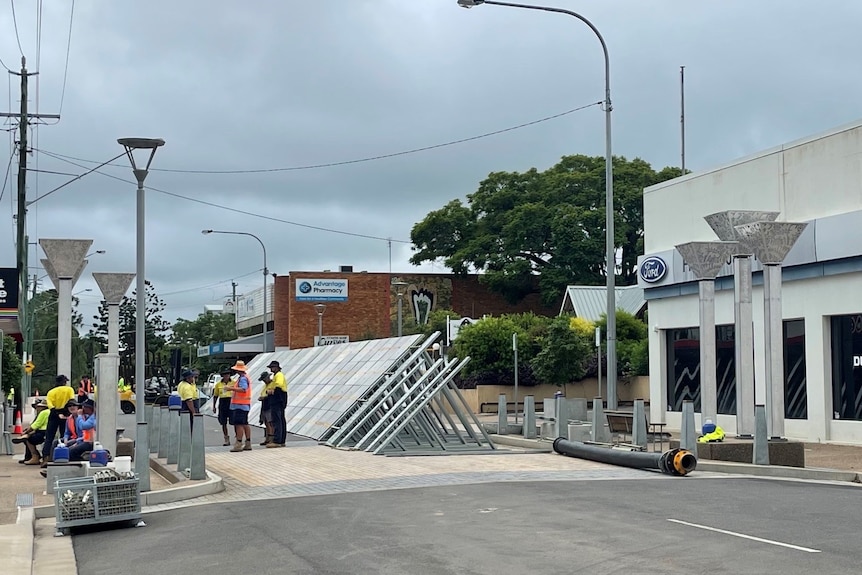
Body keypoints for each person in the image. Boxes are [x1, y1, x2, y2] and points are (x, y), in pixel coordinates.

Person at [42, 375, 75, 464]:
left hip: (54, 414)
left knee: (49, 437)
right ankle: (62, 456)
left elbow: (50, 406)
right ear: (64, 382)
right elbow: (71, 401)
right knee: (64, 436)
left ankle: (46, 458)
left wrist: (57, 413)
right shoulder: (69, 389)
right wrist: (65, 413)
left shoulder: (51, 392)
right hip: (66, 414)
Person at [225, 360, 252, 452]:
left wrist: (230, 388)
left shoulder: (243, 379)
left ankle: (238, 443)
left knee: (239, 424)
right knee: (245, 423)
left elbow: (243, 389)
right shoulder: (245, 377)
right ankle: (248, 442)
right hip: (244, 404)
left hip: (240, 405)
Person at [12, 399, 50, 465]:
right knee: (28, 435)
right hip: (48, 431)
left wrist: (26, 431)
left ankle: (35, 456)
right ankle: (29, 455)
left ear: (43, 407)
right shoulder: (50, 412)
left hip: (42, 431)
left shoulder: (43, 413)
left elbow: (36, 425)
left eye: (38, 407)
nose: (37, 408)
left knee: (29, 439)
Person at [266, 360, 288, 448]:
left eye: (272, 367)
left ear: (277, 368)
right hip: (280, 397)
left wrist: (271, 391)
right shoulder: (277, 375)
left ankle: (277, 440)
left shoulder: (279, 375)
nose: (271, 369)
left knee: (277, 419)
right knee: (281, 419)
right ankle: (281, 439)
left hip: (278, 397)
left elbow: (278, 385)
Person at [212, 368, 234, 446]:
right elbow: (215, 396)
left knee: (234, 420)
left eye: (228, 374)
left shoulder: (234, 383)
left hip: (231, 401)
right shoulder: (218, 384)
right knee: (223, 422)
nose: (226, 376)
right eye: (225, 375)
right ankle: (226, 438)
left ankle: (237, 437)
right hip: (223, 401)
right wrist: (214, 406)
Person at [258, 371, 273, 446]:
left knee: (270, 422)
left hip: (269, 404)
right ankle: (267, 438)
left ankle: (271, 438)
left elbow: (272, 394)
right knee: (266, 422)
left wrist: (264, 397)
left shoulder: (272, 384)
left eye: (264, 379)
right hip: (264, 405)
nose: (264, 381)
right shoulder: (265, 386)